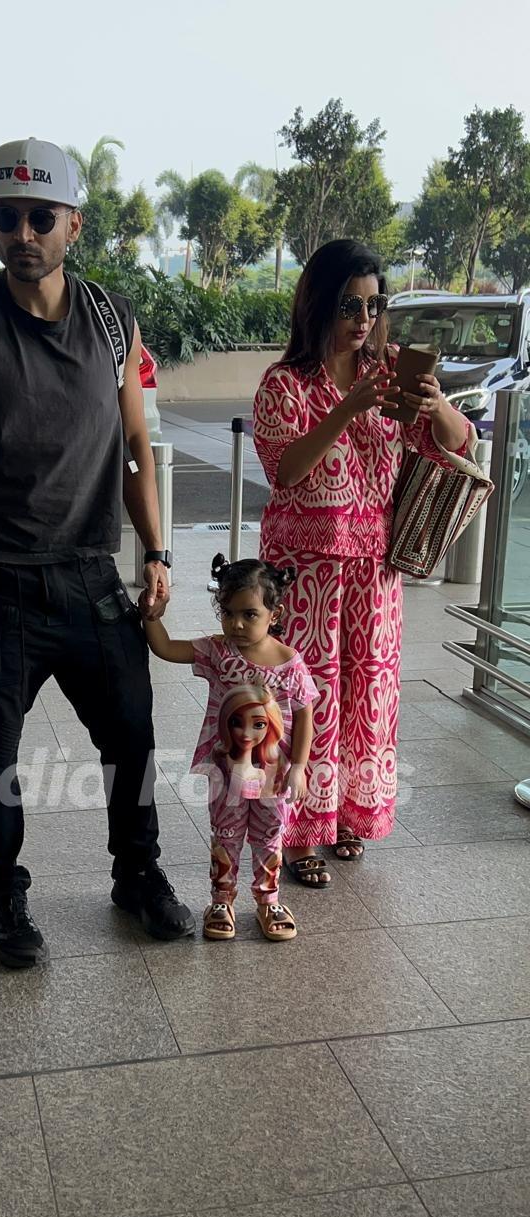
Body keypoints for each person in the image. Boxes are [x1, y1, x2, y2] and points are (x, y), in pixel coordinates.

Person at [0, 138, 194, 968]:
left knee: (133, 738)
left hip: (92, 578)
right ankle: (6, 896)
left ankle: (137, 875)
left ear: (75, 222)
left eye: (40, 217)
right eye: (6, 219)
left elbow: (137, 449)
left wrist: (159, 552)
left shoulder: (112, 322)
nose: (22, 234)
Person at [253, 239, 471, 887]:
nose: (363, 319)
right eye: (350, 304)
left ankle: (347, 816)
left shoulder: (393, 372)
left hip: (374, 574)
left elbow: (460, 443)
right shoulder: (285, 384)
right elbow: (285, 470)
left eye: (375, 306)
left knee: (364, 700)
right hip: (306, 575)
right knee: (304, 702)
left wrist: (437, 407)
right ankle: (295, 838)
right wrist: (346, 409)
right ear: (319, 302)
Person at [141, 555, 318, 940]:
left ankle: (268, 900)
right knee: (226, 834)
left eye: (249, 614)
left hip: (275, 773)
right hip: (226, 772)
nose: (236, 624)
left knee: (270, 835)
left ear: (275, 614)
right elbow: (167, 649)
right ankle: (221, 899)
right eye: (228, 612)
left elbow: (305, 716)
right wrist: (152, 616)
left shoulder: (290, 664)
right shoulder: (219, 653)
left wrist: (300, 766)